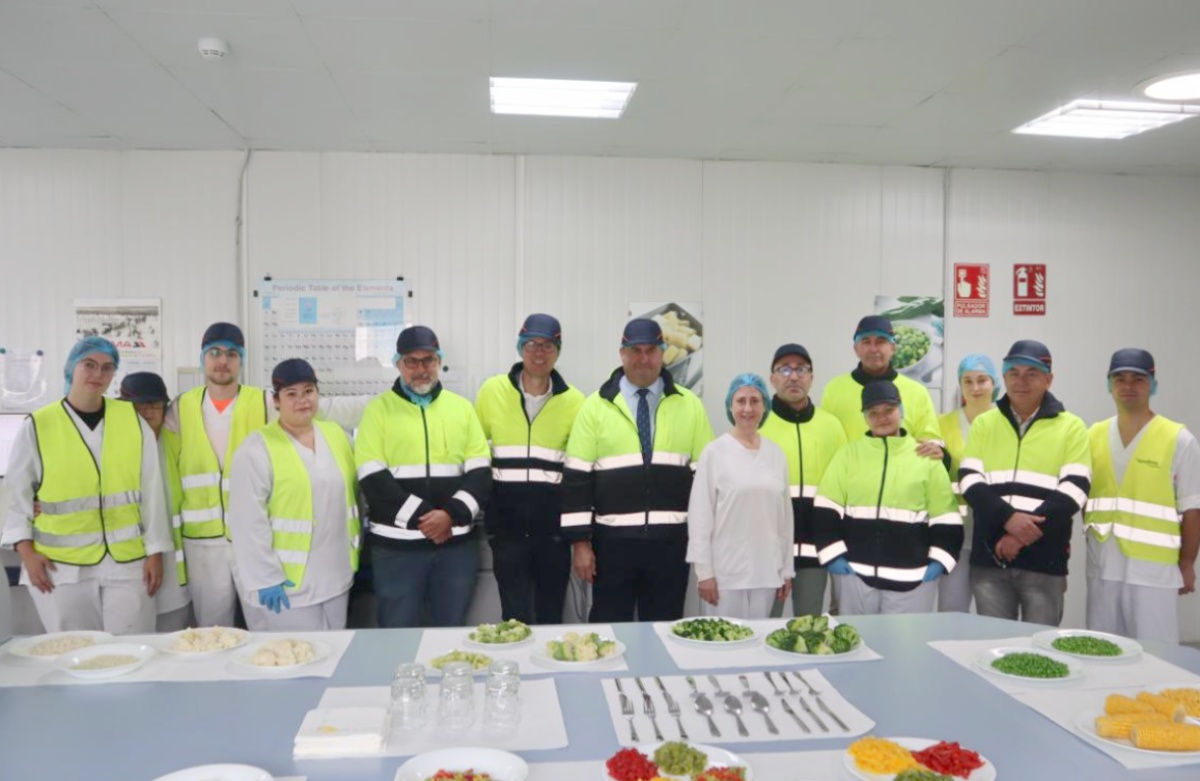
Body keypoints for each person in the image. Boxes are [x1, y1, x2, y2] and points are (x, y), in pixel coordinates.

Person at [164, 321, 368, 627]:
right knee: (215, 629)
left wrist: (387, 403)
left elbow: (325, 410)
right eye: (214, 353)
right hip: (205, 540)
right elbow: (165, 470)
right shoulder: (182, 407)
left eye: (232, 354)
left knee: (272, 630)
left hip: (267, 542)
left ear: (241, 360)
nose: (223, 360)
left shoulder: (262, 400)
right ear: (202, 357)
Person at [1, 337, 170, 634]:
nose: (97, 374)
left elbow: (152, 490)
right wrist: (25, 551)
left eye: (107, 368)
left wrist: (156, 551)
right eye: (89, 365)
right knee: (75, 652)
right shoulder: (40, 424)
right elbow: (17, 493)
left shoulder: (132, 420)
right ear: (71, 368)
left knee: (131, 649)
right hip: (61, 567)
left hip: (127, 563)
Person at [562, 318, 713, 622]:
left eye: (651, 351)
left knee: (664, 632)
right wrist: (580, 544)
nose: (643, 359)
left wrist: (703, 547)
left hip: (671, 547)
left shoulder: (690, 406)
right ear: (622, 353)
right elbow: (576, 480)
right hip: (612, 548)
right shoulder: (595, 407)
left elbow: (706, 481)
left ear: (662, 353)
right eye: (635, 350)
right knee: (609, 631)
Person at [355, 326, 492, 627]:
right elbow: (372, 477)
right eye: (412, 361)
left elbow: (480, 472)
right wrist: (428, 520)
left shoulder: (462, 409)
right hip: (397, 551)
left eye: (428, 360)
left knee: (450, 635)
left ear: (438, 361)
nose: (421, 369)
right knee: (398, 636)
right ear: (399, 364)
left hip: (455, 548)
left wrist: (450, 516)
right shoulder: (378, 411)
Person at [960, 340, 1091, 626]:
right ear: (1004, 378)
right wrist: (1007, 519)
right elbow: (970, 481)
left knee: (1040, 650)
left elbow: (1075, 489)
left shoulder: (1071, 427)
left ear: (1048, 379)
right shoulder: (984, 424)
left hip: (1044, 561)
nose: (1021, 381)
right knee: (993, 646)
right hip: (990, 557)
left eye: (1031, 373)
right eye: (1013, 373)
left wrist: (1018, 535)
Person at [227, 359, 361, 631]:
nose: (302, 401)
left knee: (334, 658)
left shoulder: (337, 435)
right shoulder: (256, 449)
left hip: (336, 577)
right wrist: (265, 578)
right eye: (291, 394)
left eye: (309, 391)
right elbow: (247, 522)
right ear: (276, 401)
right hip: (286, 587)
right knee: (295, 661)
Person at [813, 381, 963, 615]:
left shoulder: (924, 458)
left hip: (913, 579)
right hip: (856, 576)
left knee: (906, 651)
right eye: (873, 412)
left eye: (888, 410)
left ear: (901, 410)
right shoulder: (848, 455)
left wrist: (941, 560)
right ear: (864, 416)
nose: (881, 418)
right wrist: (831, 553)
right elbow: (825, 508)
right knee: (859, 647)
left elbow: (946, 515)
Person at [1084, 348, 1200, 643]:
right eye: (1119, 378)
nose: (1128, 386)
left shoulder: (1178, 439)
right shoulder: (1093, 435)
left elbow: (1192, 508)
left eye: (1138, 379)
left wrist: (1187, 563)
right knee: (1101, 650)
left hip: (1153, 570)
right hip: (1103, 565)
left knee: (1157, 655)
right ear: (1110, 384)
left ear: (1152, 383)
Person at [475, 314, 584, 624]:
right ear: (520, 348)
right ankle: (517, 672)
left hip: (553, 534)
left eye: (548, 345)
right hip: (505, 531)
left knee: (551, 614)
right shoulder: (491, 391)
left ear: (558, 351)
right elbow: (476, 454)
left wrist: (575, 534)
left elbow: (577, 474)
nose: (539, 352)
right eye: (532, 344)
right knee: (514, 617)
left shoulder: (575, 401)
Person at [686, 374, 793, 619]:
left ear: (765, 406)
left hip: (766, 571)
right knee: (723, 647)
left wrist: (786, 571)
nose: (747, 408)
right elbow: (700, 517)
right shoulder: (714, 453)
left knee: (758, 647)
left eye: (755, 401)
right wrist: (704, 573)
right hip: (725, 576)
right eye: (741, 401)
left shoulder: (776, 455)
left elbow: (785, 520)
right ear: (730, 406)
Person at [760, 343, 847, 618]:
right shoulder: (759, 423)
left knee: (809, 627)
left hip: (815, 548)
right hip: (768, 551)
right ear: (772, 378)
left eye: (801, 369)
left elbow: (844, 485)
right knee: (763, 627)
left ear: (811, 377)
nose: (793, 376)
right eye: (784, 369)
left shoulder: (831, 425)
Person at [118, 371, 193, 631]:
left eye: (154, 404)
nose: (148, 411)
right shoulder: (117, 446)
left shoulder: (177, 442)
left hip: (178, 561)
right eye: (140, 405)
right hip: (130, 559)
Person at [820, 315, 944, 460]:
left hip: (902, 478)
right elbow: (827, 441)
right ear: (856, 349)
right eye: (866, 342)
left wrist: (937, 450)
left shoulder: (917, 392)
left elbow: (930, 443)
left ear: (893, 348)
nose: (873, 349)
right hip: (850, 478)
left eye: (881, 341)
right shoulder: (835, 389)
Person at [935, 354, 1000, 613]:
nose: (975, 388)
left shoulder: (1006, 424)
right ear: (959, 386)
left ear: (994, 383)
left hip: (995, 533)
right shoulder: (941, 424)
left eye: (982, 380)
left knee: (994, 614)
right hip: (955, 533)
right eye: (967, 381)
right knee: (951, 610)